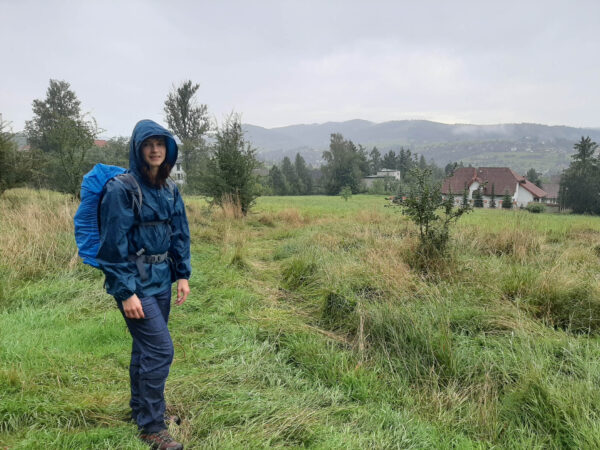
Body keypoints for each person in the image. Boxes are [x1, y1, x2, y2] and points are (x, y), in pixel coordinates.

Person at [97, 119, 191, 450]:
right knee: (161, 350)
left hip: (162, 280)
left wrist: (182, 274)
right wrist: (126, 292)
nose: (154, 149)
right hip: (135, 283)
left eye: (160, 144)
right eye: (148, 144)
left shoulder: (168, 189)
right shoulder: (121, 189)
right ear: (138, 149)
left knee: (146, 349)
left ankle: (140, 410)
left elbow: (179, 232)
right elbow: (112, 246)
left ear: (168, 150)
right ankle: (152, 426)